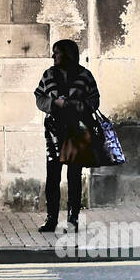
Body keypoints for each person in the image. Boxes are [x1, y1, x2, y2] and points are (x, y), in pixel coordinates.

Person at [34, 39, 100, 232]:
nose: (53, 56)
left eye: (57, 52)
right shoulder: (48, 75)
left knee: (74, 175)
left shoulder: (84, 75)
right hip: (54, 134)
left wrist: (74, 105)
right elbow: (39, 97)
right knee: (53, 176)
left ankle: (73, 219)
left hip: (76, 132)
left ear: (68, 54)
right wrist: (55, 104)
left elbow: (94, 100)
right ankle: (51, 218)